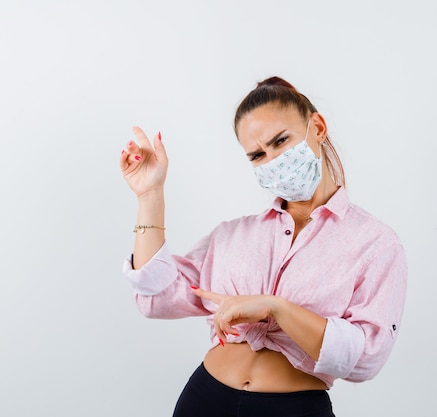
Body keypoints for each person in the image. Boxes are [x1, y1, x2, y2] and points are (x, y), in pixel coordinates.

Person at [119, 76, 408, 417]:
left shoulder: (375, 244)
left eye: (281, 141)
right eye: (258, 155)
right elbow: (158, 297)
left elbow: (366, 358)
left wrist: (277, 309)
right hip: (205, 399)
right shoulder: (233, 235)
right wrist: (150, 195)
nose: (273, 160)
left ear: (317, 126)